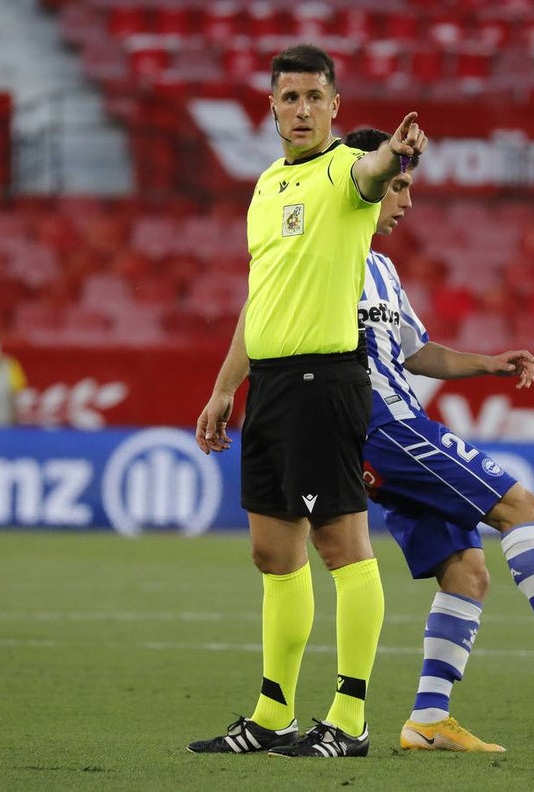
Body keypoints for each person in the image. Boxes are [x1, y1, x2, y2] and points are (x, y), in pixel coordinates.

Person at [345, 128, 534, 754]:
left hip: (394, 430)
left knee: (467, 572)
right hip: (385, 431)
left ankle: (427, 721)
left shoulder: (381, 267)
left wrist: (485, 363)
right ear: (368, 180)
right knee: (524, 508)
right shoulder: (329, 260)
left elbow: (417, 352)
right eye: (398, 186)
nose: (406, 201)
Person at [187, 44, 427, 759]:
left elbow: (372, 170)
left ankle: (349, 719)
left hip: (326, 382)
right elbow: (261, 296)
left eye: (313, 98)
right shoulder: (264, 187)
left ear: (334, 107)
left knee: (343, 549)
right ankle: (272, 714)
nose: (300, 110)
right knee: (271, 552)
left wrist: (395, 152)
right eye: (288, 97)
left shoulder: (343, 174)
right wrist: (226, 386)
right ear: (270, 105)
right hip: (271, 386)